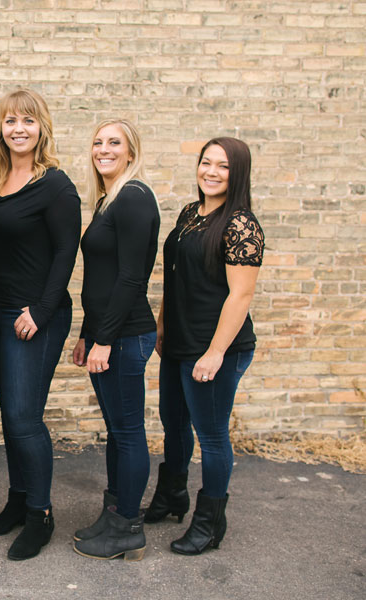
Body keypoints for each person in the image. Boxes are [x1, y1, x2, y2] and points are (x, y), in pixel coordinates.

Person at [147, 137, 264, 556]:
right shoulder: (190, 214)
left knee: (211, 436)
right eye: (206, 162)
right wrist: (162, 326)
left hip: (216, 348)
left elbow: (241, 296)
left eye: (223, 166)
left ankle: (210, 522)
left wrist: (215, 353)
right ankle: (172, 496)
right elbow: (175, 276)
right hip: (179, 340)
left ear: (238, 174)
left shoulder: (241, 225)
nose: (211, 172)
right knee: (173, 423)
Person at [0, 89, 81, 560]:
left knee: (23, 416)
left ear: (42, 127)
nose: (18, 128)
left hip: (34, 316)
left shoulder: (56, 185)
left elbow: (66, 252)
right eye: (10, 121)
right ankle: (18, 501)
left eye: (27, 120)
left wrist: (39, 313)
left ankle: (40, 514)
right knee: (11, 414)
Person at [71, 119, 160, 561]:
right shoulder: (109, 200)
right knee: (117, 432)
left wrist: (105, 338)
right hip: (109, 334)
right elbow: (100, 280)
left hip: (126, 337)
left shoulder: (135, 197)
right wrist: (89, 334)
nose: (103, 149)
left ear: (130, 152)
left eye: (114, 143)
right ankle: (114, 514)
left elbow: (129, 279)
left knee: (128, 433)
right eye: (98, 142)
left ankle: (128, 527)